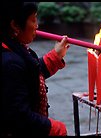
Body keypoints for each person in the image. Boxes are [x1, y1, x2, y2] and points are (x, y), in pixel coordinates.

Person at [1, 2, 70, 136]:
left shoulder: (13, 48)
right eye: (33, 20)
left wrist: (56, 56)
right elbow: (20, 117)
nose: (37, 25)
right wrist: (56, 128)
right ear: (15, 25)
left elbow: (29, 76)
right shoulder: (9, 63)